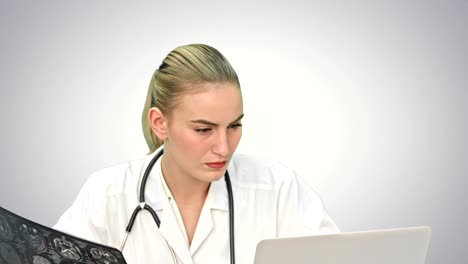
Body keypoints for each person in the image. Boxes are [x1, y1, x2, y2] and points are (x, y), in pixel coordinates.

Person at [54, 44, 339, 263]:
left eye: (234, 125)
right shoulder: (107, 193)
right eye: (204, 129)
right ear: (159, 123)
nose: (224, 148)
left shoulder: (278, 189)